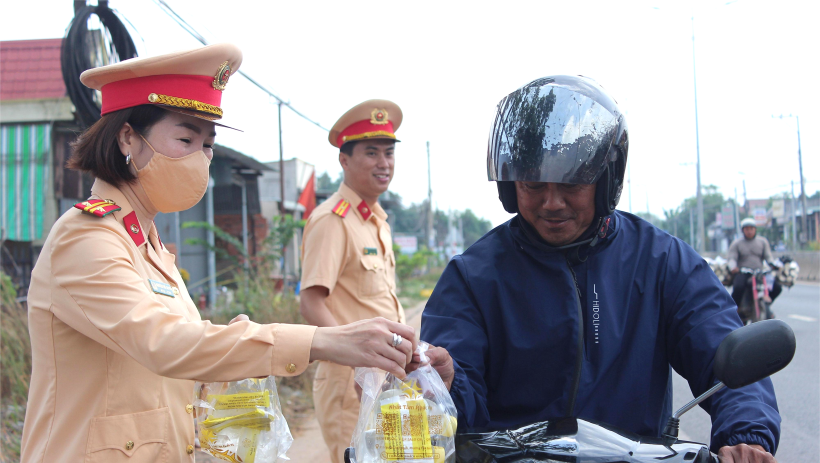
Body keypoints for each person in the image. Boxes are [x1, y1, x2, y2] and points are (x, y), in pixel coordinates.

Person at [20, 45, 416, 463]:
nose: (201, 158)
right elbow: (163, 343)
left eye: (208, 144)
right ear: (127, 137)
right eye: (186, 139)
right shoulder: (87, 238)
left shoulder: (149, 245)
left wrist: (234, 351)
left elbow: (179, 357)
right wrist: (322, 341)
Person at [417, 76, 780, 463]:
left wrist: (747, 439)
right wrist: (445, 383)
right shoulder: (472, 277)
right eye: (533, 185)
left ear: (606, 181)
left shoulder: (662, 262)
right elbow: (452, 394)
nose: (552, 202)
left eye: (571, 184)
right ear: (510, 186)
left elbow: (722, 351)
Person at [300, 99, 405, 462]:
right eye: (371, 153)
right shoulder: (333, 220)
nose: (383, 163)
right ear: (344, 160)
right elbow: (311, 302)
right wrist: (357, 360)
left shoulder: (376, 221)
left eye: (389, 152)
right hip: (350, 379)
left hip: (382, 375)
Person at [728, 217, 781, 311]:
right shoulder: (737, 243)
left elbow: (768, 257)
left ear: (755, 229)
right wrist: (733, 267)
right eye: (747, 229)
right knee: (738, 287)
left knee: (777, 287)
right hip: (743, 273)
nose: (749, 231)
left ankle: (766, 307)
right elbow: (732, 259)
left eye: (751, 229)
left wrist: (772, 264)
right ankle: (734, 311)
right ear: (743, 230)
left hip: (759, 273)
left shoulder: (762, 242)